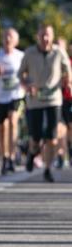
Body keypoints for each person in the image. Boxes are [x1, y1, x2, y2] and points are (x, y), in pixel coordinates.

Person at [19, 23, 71, 183]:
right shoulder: (29, 53)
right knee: (35, 136)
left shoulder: (59, 52)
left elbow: (67, 71)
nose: (45, 38)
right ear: (38, 36)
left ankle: (47, 169)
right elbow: (21, 74)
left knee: (51, 136)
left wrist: (67, 81)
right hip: (35, 101)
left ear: (52, 36)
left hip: (54, 99)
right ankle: (32, 152)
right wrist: (27, 85)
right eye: (42, 35)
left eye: (48, 35)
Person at [0, 28, 24, 174]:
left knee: (13, 121)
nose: (8, 39)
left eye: (11, 37)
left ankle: (13, 156)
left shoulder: (21, 56)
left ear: (16, 41)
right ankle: (5, 157)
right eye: (6, 36)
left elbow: (27, 73)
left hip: (16, 95)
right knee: (2, 128)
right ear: (2, 39)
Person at [55, 37, 72, 168]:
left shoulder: (69, 62)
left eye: (61, 46)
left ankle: (69, 153)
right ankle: (60, 155)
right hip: (56, 101)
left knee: (70, 129)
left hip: (69, 100)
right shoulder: (51, 63)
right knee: (59, 129)